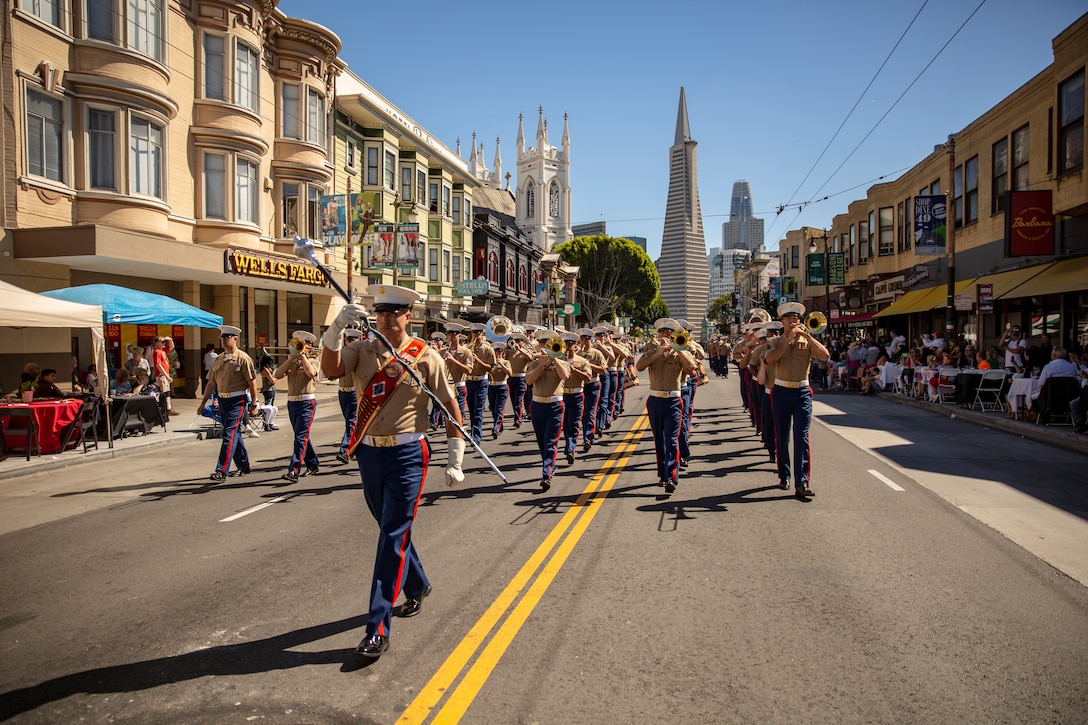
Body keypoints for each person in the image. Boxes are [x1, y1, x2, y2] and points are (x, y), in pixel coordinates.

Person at [320, 284, 464, 660]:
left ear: (407, 316)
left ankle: (378, 628)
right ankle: (416, 583)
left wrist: (456, 457)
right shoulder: (362, 349)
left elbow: (449, 406)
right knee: (390, 530)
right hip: (369, 455)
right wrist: (334, 331)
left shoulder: (425, 356)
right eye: (379, 313)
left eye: (392, 314)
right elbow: (330, 368)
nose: (384, 319)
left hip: (408, 457)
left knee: (391, 537)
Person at [764, 302, 830, 499]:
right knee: (782, 436)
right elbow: (770, 359)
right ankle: (784, 475)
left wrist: (808, 337)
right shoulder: (775, 341)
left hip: (801, 391)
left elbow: (825, 356)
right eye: (789, 318)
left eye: (796, 319)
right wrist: (788, 340)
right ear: (782, 321)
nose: (793, 322)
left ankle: (802, 482)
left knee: (802, 437)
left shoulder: (807, 340)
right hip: (781, 390)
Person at [636, 318, 697, 493]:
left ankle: (672, 476)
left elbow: (691, 367)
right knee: (659, 441)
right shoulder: (652, 352)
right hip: (655, 400)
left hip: (673, 401)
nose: (665, 335)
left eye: (669, 333)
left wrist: (678, 349)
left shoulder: (680, 353)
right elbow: (639, 366)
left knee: (671, 440)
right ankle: (663, 475)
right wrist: (658, 351)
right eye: (663, 333)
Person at [198, 325, 259, 482]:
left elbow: (252, 382)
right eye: (223, 338)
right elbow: (211, 383)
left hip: (237, 400)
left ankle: (221, 470)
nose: (225, 340)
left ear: (235, 338)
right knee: (233, 433)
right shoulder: (218, 359)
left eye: (228, 337)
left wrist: (254, 403)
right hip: (223, 400)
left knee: (229, 434)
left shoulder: (243, 358)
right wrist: (203, 402)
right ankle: (243, 464)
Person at [525, 329, 572, 490]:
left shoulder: (563, 362)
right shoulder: (533, 363)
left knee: (550, 441)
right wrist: (542, 365)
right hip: (537, 405)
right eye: (541, 344)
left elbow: (565, 376)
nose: (543, 347)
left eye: (547, 344)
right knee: (542, 442)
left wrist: (554, 360)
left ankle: (546, 474)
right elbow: (529, 381)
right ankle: (550, 465)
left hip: (554, 406)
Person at [275, 330, 320, 483]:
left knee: (300, 437)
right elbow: (278, 374)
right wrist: (290, 359)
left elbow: (311, 373)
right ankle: (312, 463)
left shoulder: (314, 360)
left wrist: (303, 357)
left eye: (302, 344)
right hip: (292, 402)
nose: (299, 347)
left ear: (309, 345)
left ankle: (294, 470)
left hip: (307, 402)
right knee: (301, 436)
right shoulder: (292, 361)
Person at [559, 332, 593, 465]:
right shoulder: (559, 360)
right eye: (566, 344)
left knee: (573, 423)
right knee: (564, 424)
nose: (568, 347)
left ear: (575, 346)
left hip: (577, 394)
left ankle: (570, 449)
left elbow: (588, 377)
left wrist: (574, 370)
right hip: (562, 395)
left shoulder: (582, 361)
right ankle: (569, 445)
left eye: (571, 345)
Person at [575, 327, 607, 453]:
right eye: (582, 339)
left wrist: (588, 364)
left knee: (589, 412)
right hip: (580, 386)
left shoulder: (596, 353)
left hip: (593, 384)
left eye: (586, 339)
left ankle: (587, 438)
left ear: (590, 340)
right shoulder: (576, 354)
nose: (584, 342)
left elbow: (603, 370)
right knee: (581, 413)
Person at [334, 328, 363, 463]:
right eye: (349, 339)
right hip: (342, 391)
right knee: (349, 422)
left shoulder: (360, 355)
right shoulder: (341, 353)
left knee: (351, 422)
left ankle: (345, 450)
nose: (350, 341)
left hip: (353, 391)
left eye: (353, 339)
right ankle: (358, 445)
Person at [487, 342, 512, 439]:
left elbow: (510, 373)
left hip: (502, 387)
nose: (497, 353)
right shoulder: (491, 363)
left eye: (499, 351)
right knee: (493, 409)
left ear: (502, 352)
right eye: (495, 351)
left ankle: (496, 428)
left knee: (499, 409)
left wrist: (501, 363)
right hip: (492, 386)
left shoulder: (506, 362)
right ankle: (499, 426)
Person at [152, 338, 177, 416]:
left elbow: (172, 347)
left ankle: (168, 407)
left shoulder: (163, 351)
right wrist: (166, 375)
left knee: (167, 391)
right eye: (162, 342)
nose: (164, 343)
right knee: (164, 392)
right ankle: (166, 408)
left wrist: (170, 339)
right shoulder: (157, 352)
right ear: (156, 343)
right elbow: (158, 365)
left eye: (164, 342)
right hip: (161, 375)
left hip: (165, 375)